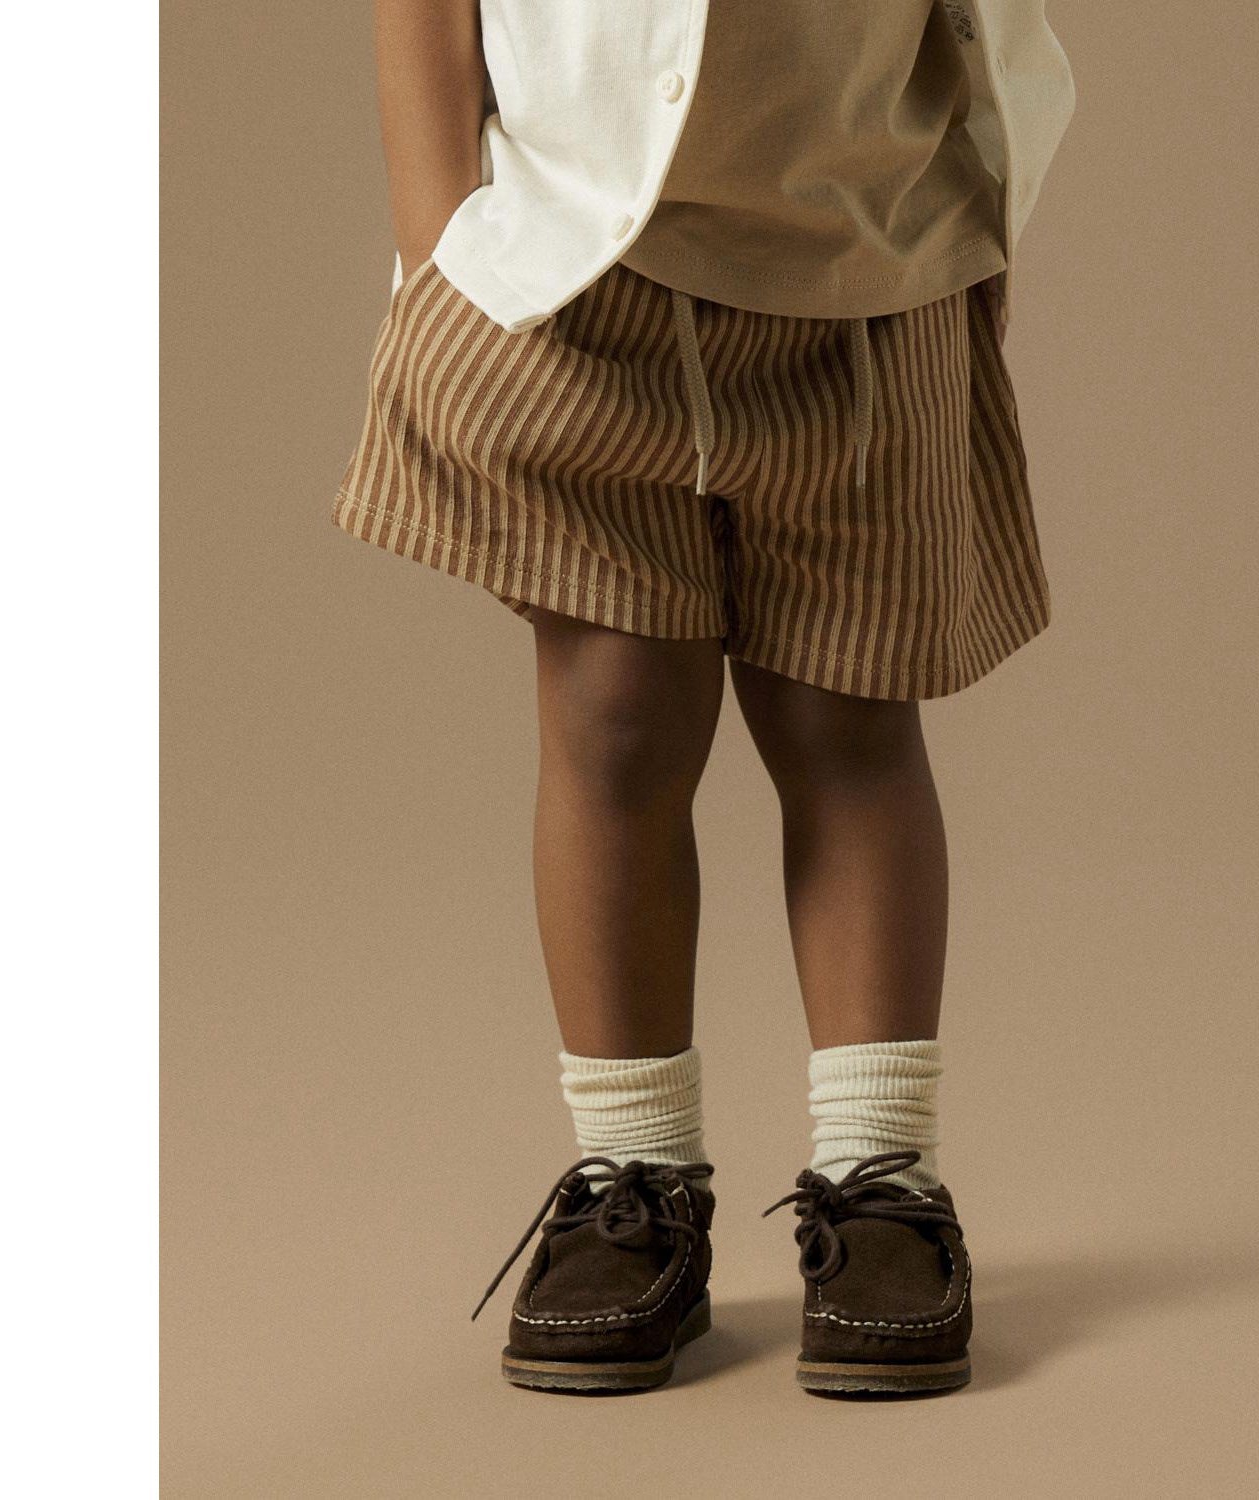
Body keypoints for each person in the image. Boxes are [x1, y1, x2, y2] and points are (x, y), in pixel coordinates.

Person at [333, 0, 1073, 1395]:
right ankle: (634, 1178)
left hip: (872, 250)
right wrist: (439, 245)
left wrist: (988, 197)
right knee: (612, 714)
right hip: (582, 256)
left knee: (849, 712)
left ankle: (880, 1175)